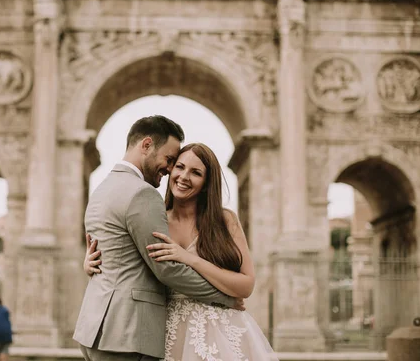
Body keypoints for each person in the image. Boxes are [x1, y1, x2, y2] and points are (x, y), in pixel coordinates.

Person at [85, 143, 279, 360]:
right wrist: (93, 262)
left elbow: (246, 285)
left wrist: (189, 259)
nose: (184, 176)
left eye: (196, 172)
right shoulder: (155, 220)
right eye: (180, 167)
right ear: (171, 170)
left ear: (206, 183)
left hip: (221, 333)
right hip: (165, 332)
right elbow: (128, 261)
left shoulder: (225, 220)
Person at [73, 116, 244, 361]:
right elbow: (167, 270)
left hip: (94, 328)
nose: (170, 168)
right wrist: (225, 297)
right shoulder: (143, 193)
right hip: (126, 332)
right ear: (146, 145)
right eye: (170, 159)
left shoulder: (102, 189)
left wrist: (87, 264)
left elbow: (111, 250)